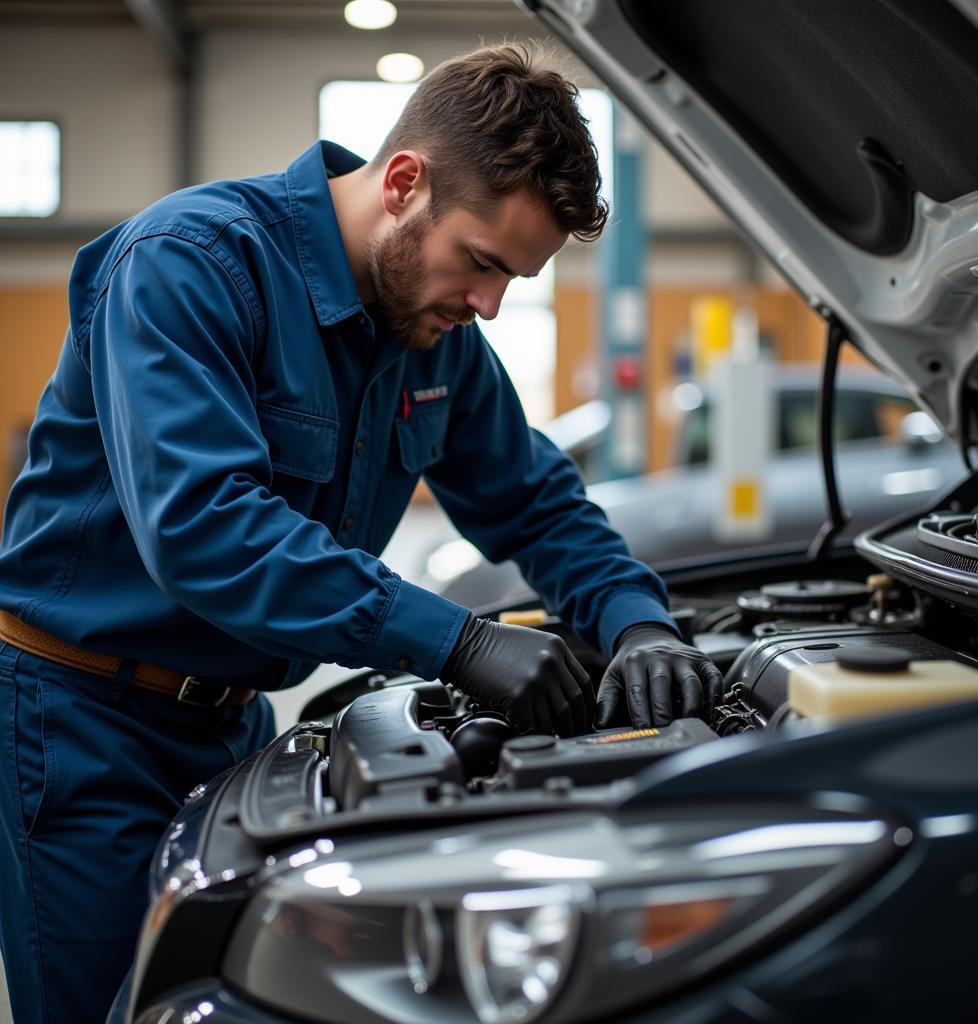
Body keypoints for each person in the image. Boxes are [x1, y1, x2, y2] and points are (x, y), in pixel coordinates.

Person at [0, 43, 723, 1024]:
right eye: (481, 262)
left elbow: (539, 503)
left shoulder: (434, 338)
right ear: (401, 181)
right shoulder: (191, 265)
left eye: (512, 279)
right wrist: (456, 639)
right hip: (81, 723)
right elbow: (208, 528)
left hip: (228, 727)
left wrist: (636, 620)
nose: (489, 305)